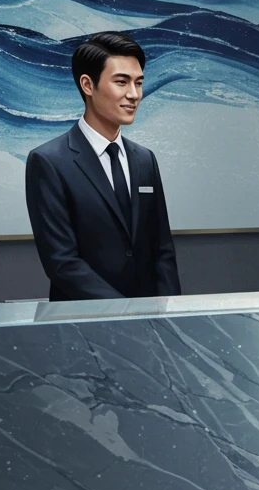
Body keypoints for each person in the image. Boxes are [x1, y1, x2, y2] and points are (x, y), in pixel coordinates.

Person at [25, 31, 181, 302]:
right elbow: (62, 263)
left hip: (151, 323)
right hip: (84, 324)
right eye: (121, 82)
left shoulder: (145, 160)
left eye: (139, 83)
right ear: (88, 84)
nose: (134, 95)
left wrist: (172, 313)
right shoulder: (48, 161)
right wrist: (126, 313)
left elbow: (162, 250)